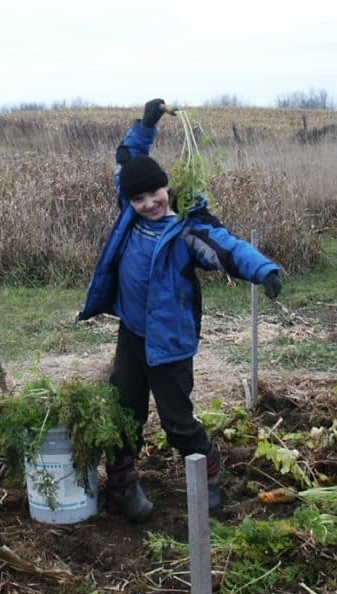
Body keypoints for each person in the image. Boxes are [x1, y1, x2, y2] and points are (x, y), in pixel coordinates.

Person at [78, 98, 283, 522]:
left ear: (167, 186)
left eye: (154, 193)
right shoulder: (129, 215)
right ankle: (122, 486)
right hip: (132, 336)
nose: (148, 203)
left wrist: (263, 270)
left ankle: (207, 475)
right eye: (138, 198)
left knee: (176, 419)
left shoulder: (188, 228)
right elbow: (128, 157)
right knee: (123, 411)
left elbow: (227, 249)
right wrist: (148, 123)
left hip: (170, 342)